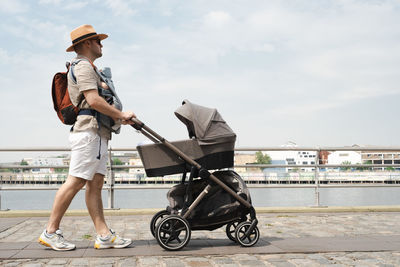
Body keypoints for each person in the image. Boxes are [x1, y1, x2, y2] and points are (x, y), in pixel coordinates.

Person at [38, 24, 135, 251]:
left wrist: (118, 118)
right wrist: (121, 115)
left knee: (95, 184)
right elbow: (93, 100)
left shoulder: (92, 68)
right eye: (98, 41)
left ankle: (103, 235)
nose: (102, 45)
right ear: (87, 43)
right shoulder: (82, 66)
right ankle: (50, 232)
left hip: (98, 133)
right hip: (88, 132)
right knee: (77, 180)